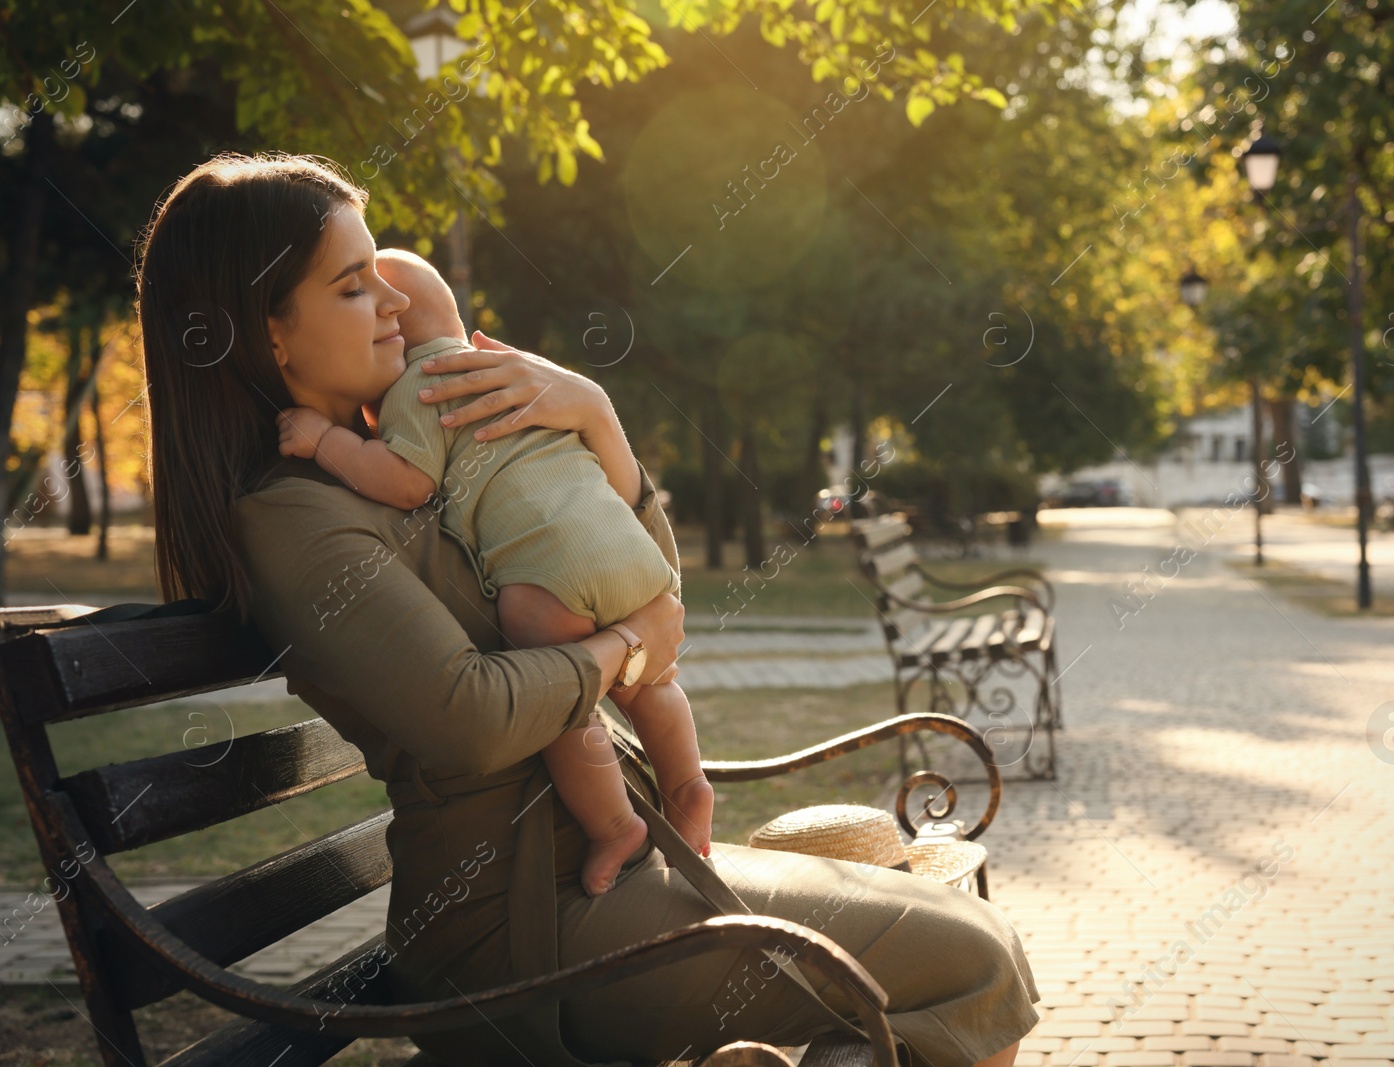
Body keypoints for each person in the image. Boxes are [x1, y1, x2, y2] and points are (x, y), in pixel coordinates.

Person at [137, 151, 1038, 1067]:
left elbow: (647, 585)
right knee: (973, 960)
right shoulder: (295, 514)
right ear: (268, 334)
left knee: (963, 933)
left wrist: (594, 419)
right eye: (354, 286)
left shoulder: (401, 453)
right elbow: (471, 717)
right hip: (519, 931)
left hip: (602, 868)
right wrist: (619, 651)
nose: (398, 304)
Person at [272, 246, 711, 896]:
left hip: (550, 574)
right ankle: (687, 783)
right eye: (352, 290)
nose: (384, 308)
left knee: (565, 704)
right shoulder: (510, 375)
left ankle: (615, 824)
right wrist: (591, 409)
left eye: (386, 298)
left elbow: (407, 482)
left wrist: (327, 441)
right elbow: (661, 613)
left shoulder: (419, 390)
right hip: (628, 554)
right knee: (657, 683)